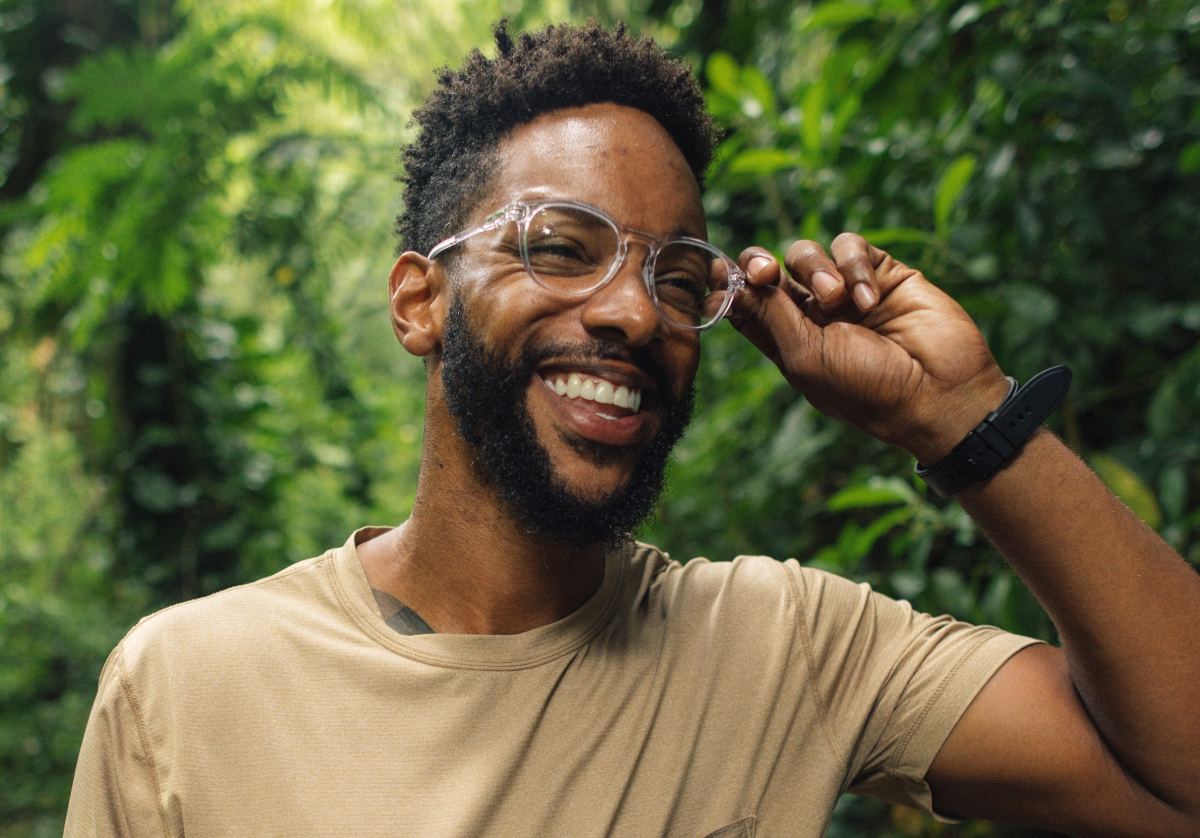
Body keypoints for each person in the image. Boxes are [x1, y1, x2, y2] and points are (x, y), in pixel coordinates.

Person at [65, 21, 1199, 838]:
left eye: (677, 272)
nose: (628, 310)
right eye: (559, 245)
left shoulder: (783, 648)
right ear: (421, 300)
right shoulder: (189, 685)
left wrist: (964, 420)